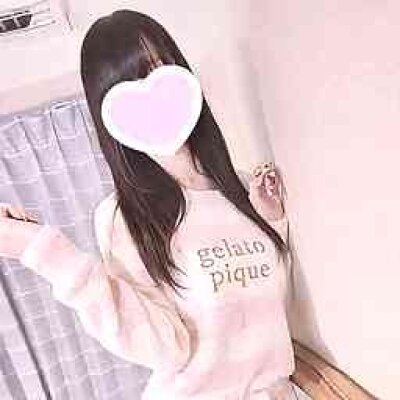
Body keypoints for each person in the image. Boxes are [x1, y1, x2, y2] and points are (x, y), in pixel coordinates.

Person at [0, 9, 300, 400]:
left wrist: (272, 221)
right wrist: (44, 251)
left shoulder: (242, 189)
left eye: (162, 69)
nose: (155, 96)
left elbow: (270, 308)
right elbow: (166, 348)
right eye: (133, 84)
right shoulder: (121, 218)